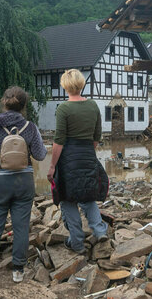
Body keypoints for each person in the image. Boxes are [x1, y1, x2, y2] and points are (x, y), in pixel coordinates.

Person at [0, 86, 47, 287]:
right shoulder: (30, 127)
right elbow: (41, 155)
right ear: (24, 105)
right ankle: (18, 271)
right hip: (23, 181)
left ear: (3, 102)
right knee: (21, 227)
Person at [47, 69, 109, 253]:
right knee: (88, 196)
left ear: (65, 86)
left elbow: (59, 141)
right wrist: (86, 151)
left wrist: (52, 166)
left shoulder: (63, 108)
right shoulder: (93, 106)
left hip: (68, 160)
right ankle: (99, 230)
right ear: (81, 84)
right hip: (88, 155)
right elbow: (97, 137)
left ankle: (77, 242)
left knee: (68, 199)